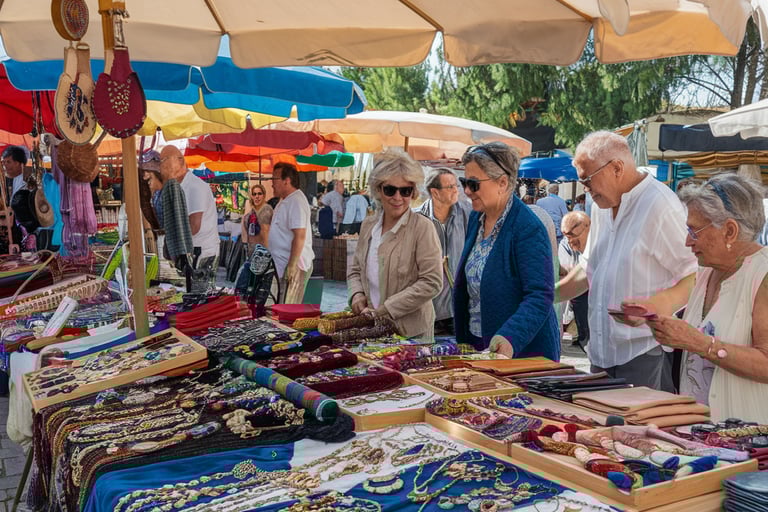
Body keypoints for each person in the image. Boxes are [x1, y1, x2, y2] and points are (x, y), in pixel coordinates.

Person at [556, 131, 697, 390]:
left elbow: (695, 275)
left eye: (587, 180)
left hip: (641, 353)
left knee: (637, 431)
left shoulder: (661, 206)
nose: (585, 189)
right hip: (600, 354)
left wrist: (655, 305)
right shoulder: (600, 205)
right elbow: (590, 268)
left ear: (617, 168)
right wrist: (546, 294)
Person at [647, 174, 768, 423]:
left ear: (730, 231)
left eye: (694, 231)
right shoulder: (705, 272)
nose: (687, 241)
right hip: (701, 432)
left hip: (747, 440)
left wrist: (702, 344)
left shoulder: (762, 274)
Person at [454, 143, 560, 360]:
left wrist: (510, 337)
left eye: (473, 184)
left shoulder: (528, 227)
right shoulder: (477, 217)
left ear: (502, 182)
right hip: (479, 345)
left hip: (522, 353)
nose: (466, 191)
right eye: (464, 182)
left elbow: (540, 295)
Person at [347, 151, 442, 339]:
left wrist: (388, 308)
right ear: (378, 190)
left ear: (413, 192)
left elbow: (432, 282)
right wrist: (357, 294)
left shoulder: (423, 227)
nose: (397, 197)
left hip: (411, 333)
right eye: (390, 189)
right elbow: (356, 269)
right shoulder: (369, 225)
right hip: (372, 326)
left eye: (405, 191)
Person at [416, 168, 471, 335]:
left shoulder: (467, 213)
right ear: (435, 192)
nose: (456, 190)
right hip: (427, 308)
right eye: (450, 187)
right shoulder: (416, 219)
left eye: (456, 185)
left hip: (460, 308)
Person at [159, 146, 220, 292]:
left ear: (178, 162)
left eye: (163, 161)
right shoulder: (180, 186)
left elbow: (193, 226)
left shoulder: (194, 187)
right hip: (192, 252)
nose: (161, 167)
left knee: (199, 299)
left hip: (201, 253)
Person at [268, 162, 314, 304]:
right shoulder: (284, 200)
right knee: (280, 306)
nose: (271, 184)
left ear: (286, 181)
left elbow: (299, 236)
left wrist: (292, 265)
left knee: (287, 308)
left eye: (274, 179)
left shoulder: (296, 201)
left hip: (295, 266)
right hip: (282, 265)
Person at [559, 211, 591, 349]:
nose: (571, 242)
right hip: (578, 289)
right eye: (567, 236)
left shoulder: (598, 241)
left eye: (573, 236)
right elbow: (567, 267)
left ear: (587, 226)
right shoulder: (565, 243)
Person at [241, 184, 273, 252]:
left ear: (264, 195)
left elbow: (266, 232)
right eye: (254, 194)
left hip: (263, 251)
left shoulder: (266, 210)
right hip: (251, 249)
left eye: (259, 194)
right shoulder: (251, 210)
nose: (257, 197)